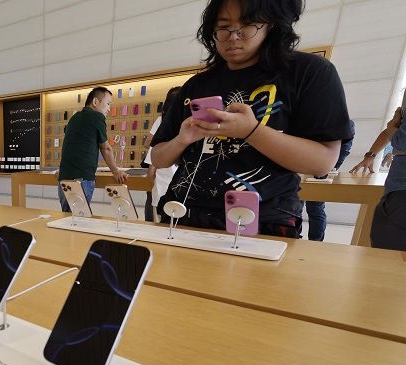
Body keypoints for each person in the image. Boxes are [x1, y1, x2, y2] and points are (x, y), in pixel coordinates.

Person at [151, 0, 353, 237]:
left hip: (262, 220)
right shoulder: (196, 85)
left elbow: (323, 161)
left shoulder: (308, 72)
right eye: (223, 27)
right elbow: (159, 157)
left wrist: (251, 132)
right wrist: (182, 141)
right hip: (182, 213)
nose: (233, 37)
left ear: (272, 25)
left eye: (248, 25)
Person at [57, 87, 128, 212]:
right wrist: (116, 171)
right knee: (78, 220)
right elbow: (105, 149)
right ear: (95, 102)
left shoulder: (74, 118)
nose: (109, 108)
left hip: (64, 178)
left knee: (66, 219)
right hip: (82, 180)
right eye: (108, 103)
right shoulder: (97, 117)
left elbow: (70, 146)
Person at [349, 107, 406, 251]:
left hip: (400, 192)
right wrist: (371, 155)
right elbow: (393, 134)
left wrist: (392, 127)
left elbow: (401, 141)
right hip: (397, 189)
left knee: (384, 252)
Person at [303, 120, 354, 241]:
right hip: (301, 167)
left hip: (321, 169)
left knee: (315, 207)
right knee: (295, 206)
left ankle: (315, 242)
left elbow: (344, 148)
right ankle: (295, 237)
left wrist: (328, 168)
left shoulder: (344, 123)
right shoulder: (305, 120)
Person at [143, 86, 181, 221]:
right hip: (182, 197)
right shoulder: (188, 131)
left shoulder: (162, 132)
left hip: (161, 193)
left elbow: (151, 172)